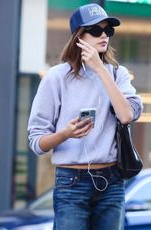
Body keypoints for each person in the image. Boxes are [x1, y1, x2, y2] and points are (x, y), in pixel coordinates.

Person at [28, 3, 143, 230]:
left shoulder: (117, 74)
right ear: (78, 36)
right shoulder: (56, 78)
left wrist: (100, 69)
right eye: (96, 30)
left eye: (108, 31)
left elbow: (127, 115)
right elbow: (36, 142)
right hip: (71, 182)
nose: (104, 36)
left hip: (112, 180)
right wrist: (65, 134)